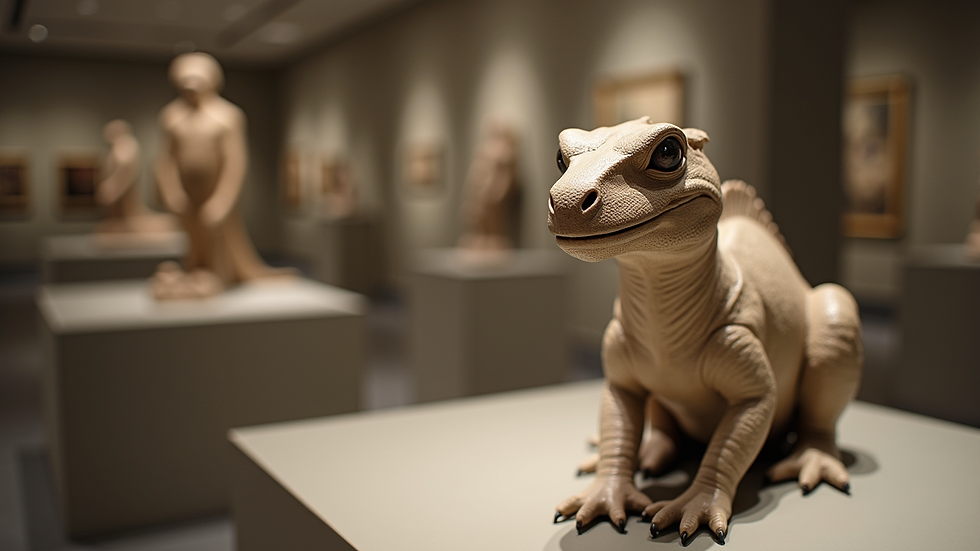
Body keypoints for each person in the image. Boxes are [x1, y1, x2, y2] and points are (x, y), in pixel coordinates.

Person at [151, 52, 292, 300]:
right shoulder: (171, 117)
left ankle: (218, 273)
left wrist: (222, 201)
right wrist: (171, 191)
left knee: (219, 233)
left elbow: (235, 163)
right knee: (193, 234)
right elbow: (165, 161)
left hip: (215, 192)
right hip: (187, 194)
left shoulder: (228, 116)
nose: (191, 88)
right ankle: (195, 270)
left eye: (197, 81)